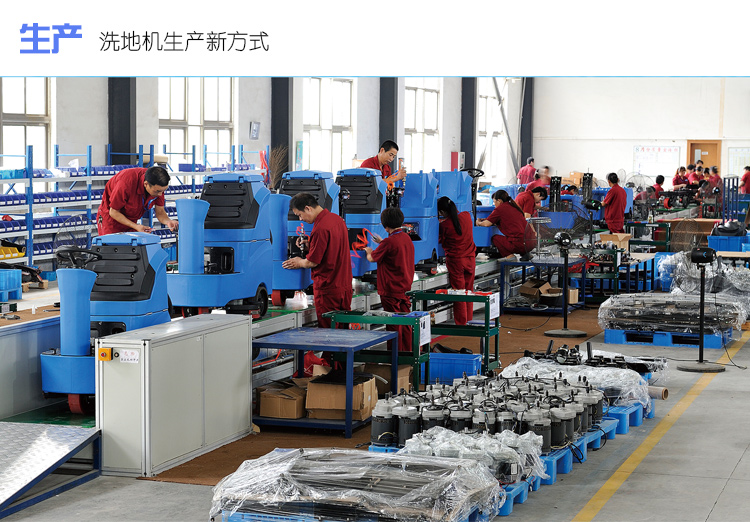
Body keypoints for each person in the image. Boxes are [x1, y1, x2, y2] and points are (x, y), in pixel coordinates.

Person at [282, 192, 352, 375]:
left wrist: (299, 262)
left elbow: (313, 262)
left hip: (328, 288)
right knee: (341, 334)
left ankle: (331, 376)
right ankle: (342, 373)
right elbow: (331, 247)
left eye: (300, 215)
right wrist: (310, 244)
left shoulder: (320, 228)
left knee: (329, 336)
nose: (301, 219)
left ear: (308, 208)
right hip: (343, 286)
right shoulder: (336, 220)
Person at [364, 208, 415, 353]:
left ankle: (395, 356)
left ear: (385, 226)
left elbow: (372, 258)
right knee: (405, 322)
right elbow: (394, 249)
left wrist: (368, 250)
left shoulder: (389, 242)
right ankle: (408, 354)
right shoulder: (406, 238)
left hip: (391, 290)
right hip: (404, 288)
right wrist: (382, 243)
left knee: (393, 325)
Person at [96, 165, 178, 236]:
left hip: (131, 221)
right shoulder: (125, 183)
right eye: (157, 191)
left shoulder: (157, 185)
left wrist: (168, 221)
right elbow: (113, 212)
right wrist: (136, 226)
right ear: (146, 184)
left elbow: (160, 212)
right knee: (112, 247)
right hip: (111, 220)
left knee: (132, 247)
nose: (160, 194)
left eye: (163, 191)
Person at [437, 196, 476, 325]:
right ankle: (469, 320)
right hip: (470, 260)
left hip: (456, 262)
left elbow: (440, 240)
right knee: (469, 291)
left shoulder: (444, 225)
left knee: (459, 293)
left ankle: (461, 324)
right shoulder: (466, 216)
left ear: (442, 212)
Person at [476, 190, 533, 260]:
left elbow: (486, 224)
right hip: (531, 243)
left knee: (495, 238)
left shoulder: (500, 209)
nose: (494, 204)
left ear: (499, 201)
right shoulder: (513, 207)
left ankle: (510, 257)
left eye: (494, 202)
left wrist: (478, 222)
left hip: (520, 244)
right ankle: (525, 254)